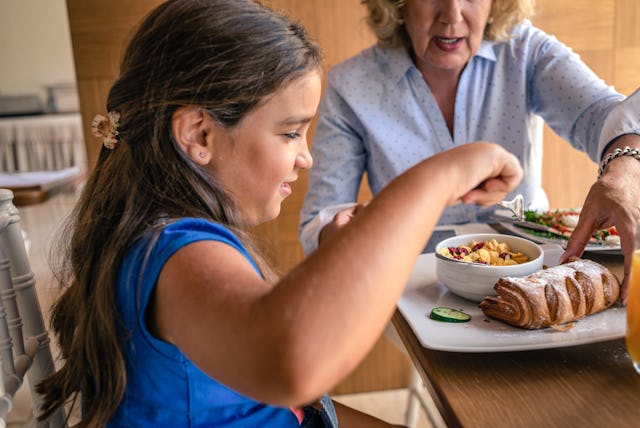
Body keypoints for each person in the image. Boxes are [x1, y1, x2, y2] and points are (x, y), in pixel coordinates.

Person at [35, 0, 522, 427]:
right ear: (199, 135)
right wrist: (438, 178)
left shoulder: (163, 233)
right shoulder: (177, 255)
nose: (305, 157)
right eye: (290, 133)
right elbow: (294, 364)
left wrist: (347, 251)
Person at [299, 0, 640, 300]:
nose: (452, 15)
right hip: (412, 282)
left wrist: (625, 168)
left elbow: (607, 116)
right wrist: (345, 230)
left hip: (532, 273)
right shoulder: (350, 85)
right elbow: (319, 223)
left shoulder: (526, 51)